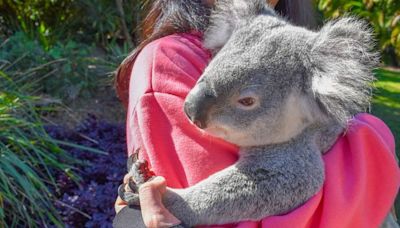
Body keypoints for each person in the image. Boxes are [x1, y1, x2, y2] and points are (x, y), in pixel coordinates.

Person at [113, 0, 400, 227]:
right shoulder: (171, 61)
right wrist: (370, 145)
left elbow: (286, 178)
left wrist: (367, 136)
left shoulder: (299, 64)